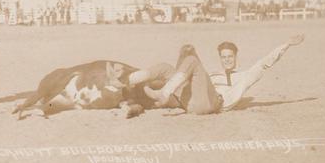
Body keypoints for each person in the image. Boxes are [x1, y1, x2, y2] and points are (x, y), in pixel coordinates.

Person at [127, 34, 305, 115]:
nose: (227, 60)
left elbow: (264, 64)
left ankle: (164, 93)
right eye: (224, 57)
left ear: (235, 56)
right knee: (166, 66)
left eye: (230, 56)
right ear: (220, 58)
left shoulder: (244, 77)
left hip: (213, 104)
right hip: (189, 103)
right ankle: (127, 80)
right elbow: (187, 77)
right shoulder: (213, 75)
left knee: (192, 61)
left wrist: (286, 45)